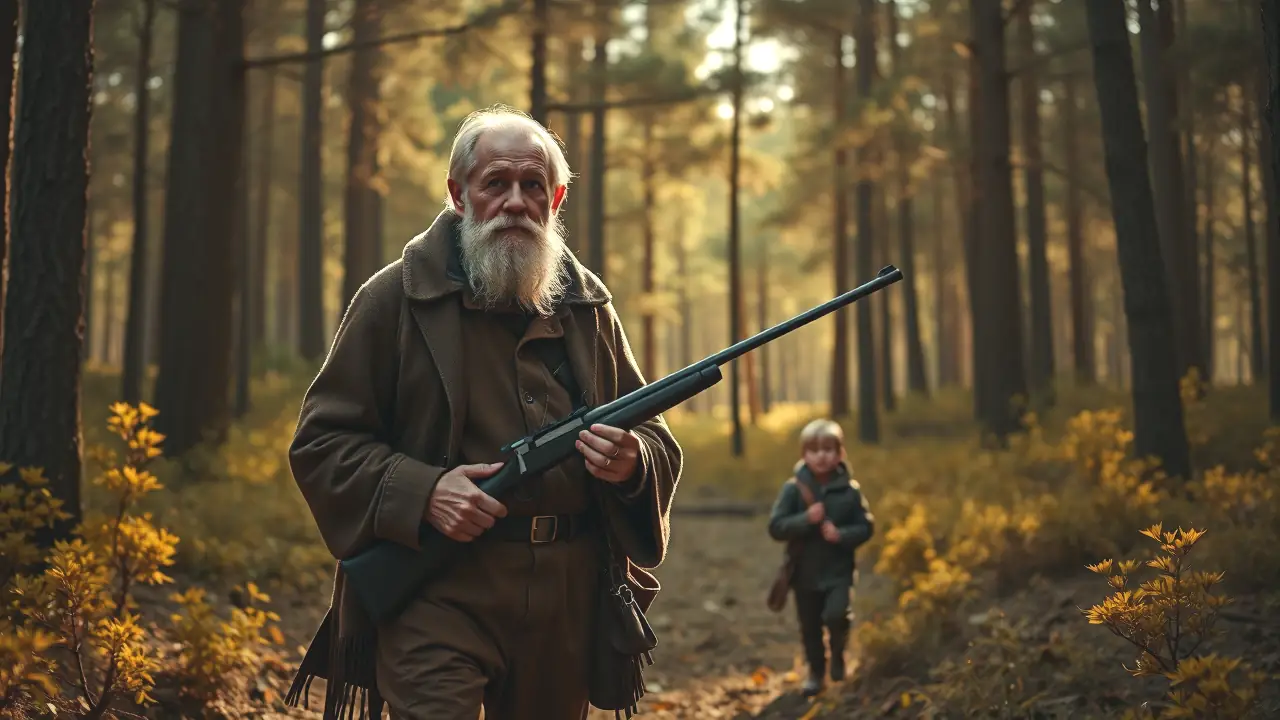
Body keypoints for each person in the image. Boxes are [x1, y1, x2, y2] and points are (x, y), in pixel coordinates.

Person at [282, 104, 684, 720]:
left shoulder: (587, 306)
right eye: (495, 183)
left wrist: (633, 461)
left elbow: (651, 432)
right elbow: (321, 443)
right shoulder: (392, 299)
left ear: (557, 199)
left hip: (566, 600)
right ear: (458, 194)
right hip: (435, 590)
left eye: (533, 186)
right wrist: (424, 490)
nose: (515, 202)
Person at [767, 418, 875, 697]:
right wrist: (805, 519)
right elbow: (776, 526)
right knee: (810, 627)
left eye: (828, 449)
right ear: (804, 455)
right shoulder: (793, 489)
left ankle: (838, 652)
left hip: (839, 571)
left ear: (840, 454)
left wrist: (842, 535)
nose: (821, 456)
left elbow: (866, 527)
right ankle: (816, 672)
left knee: (837, 615)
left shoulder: (850, 491)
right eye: (814, 450)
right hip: (804, 574)